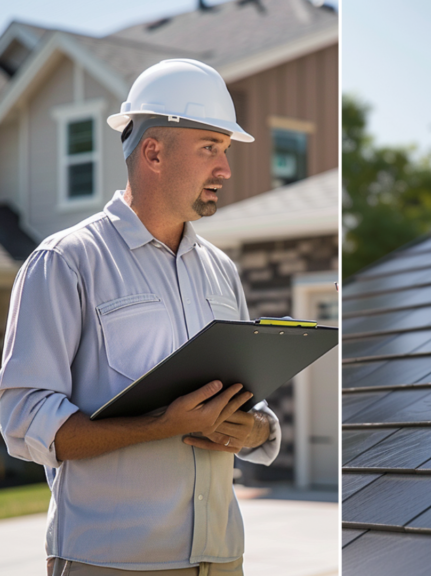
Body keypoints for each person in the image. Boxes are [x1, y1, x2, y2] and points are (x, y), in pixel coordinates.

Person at [0, 59, 281, 574]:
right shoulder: (66, 261)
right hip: (111, 563)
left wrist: (256, 430)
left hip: (221, 559)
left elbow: (251, 405)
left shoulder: (221, 271)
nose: (225, 169)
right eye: (210, 148)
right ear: (153, 151)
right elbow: (23, 423)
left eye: (225, 150)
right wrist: (159, 425)